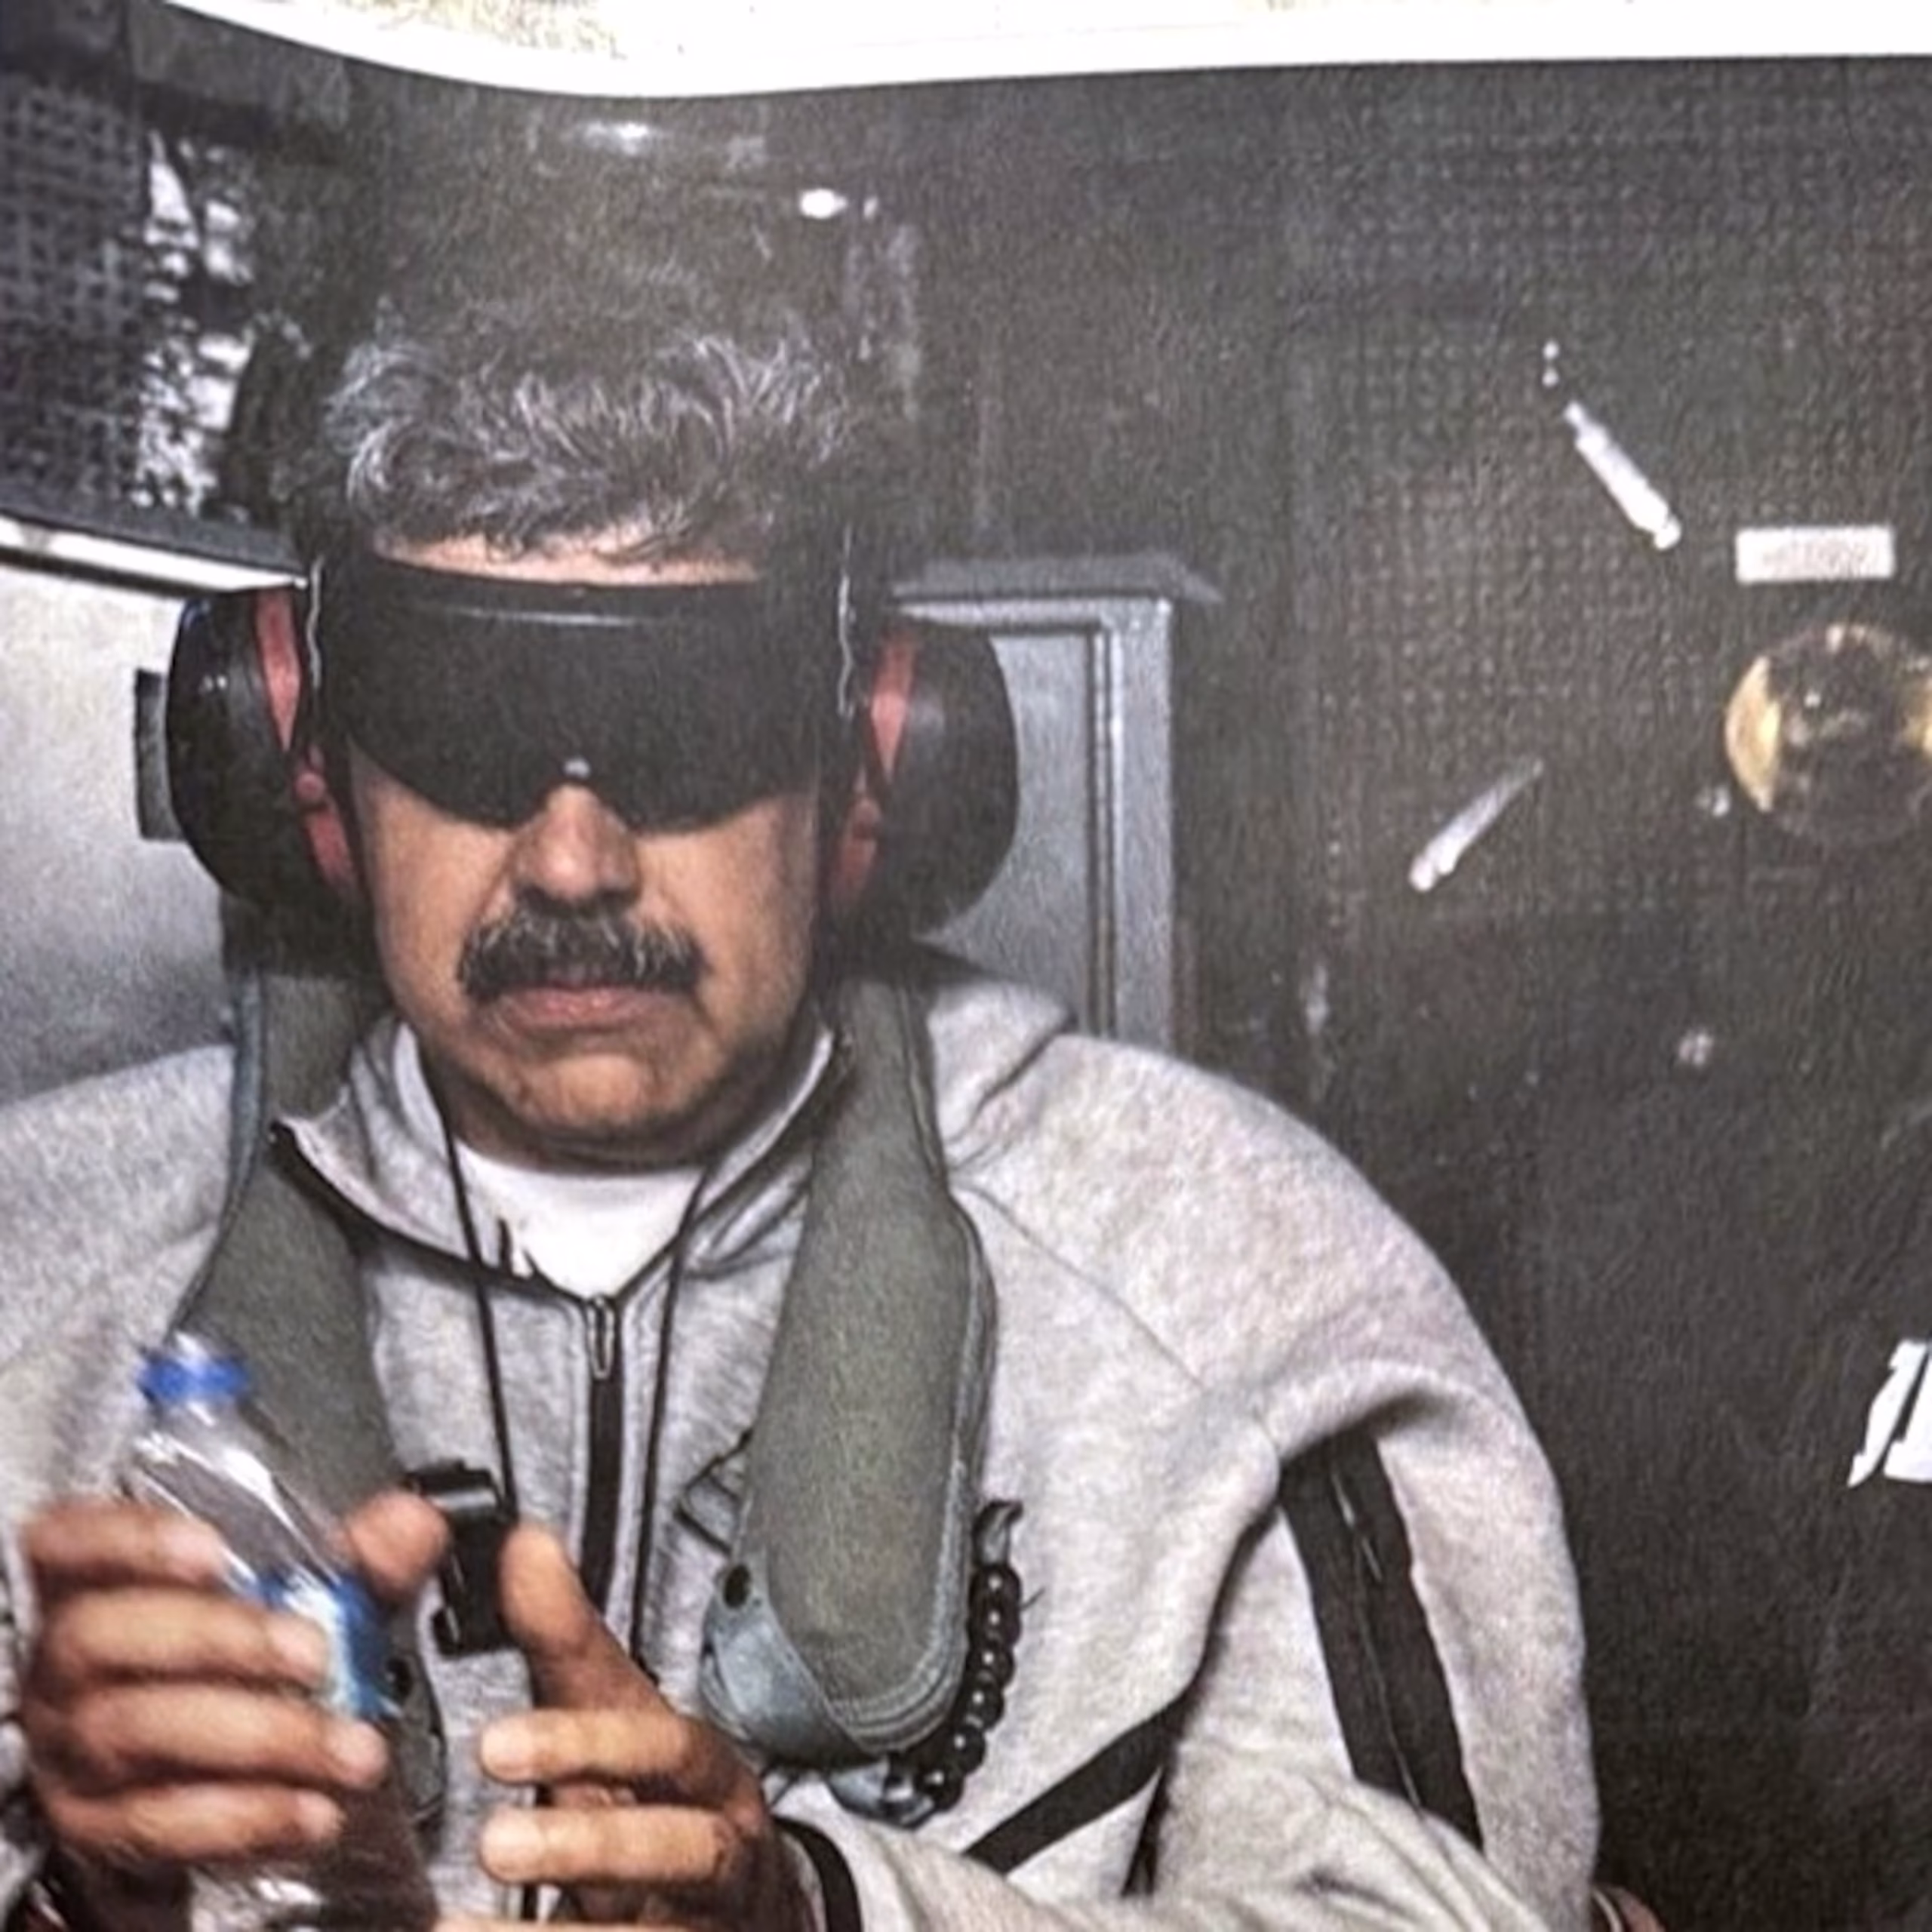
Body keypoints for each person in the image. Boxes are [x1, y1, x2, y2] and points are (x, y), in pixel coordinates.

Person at [0, 259, 1599, 1931]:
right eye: (468, 723)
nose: (570, 858)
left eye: (679, 726)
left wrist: (817, 1914)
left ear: (872, 773)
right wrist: (94, 1893)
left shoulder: (1245, 1281)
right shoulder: (38, 1278)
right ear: (303, 766)